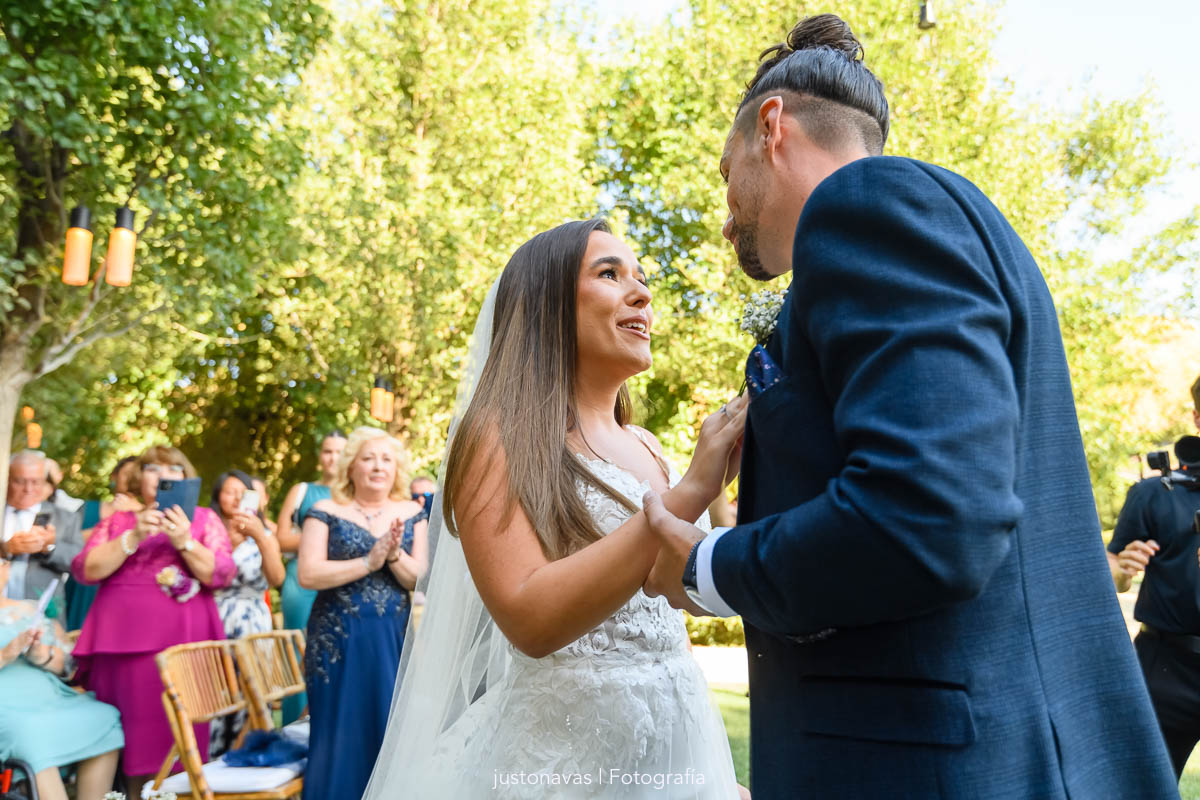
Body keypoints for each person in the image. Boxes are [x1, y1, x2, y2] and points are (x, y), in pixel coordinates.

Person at [639, 13, 1176, 798]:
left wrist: (703, 566)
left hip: (940, 767)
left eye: (727, 175)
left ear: (771, 125)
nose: (728, 213)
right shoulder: (909, 224)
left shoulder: (868, 204)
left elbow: (930, 512)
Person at [362, 219, 747, 800]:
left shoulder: (645, 446)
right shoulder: (500, 435)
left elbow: (671, 594)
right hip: (560, 766)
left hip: (678, 745)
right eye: (609, 274)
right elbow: (530, 620)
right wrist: (691, 490)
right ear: (547, 304)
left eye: (640, 278)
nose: (641, 292)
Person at [70, 445, 234, 798]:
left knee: (183, 735)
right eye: (152, 469)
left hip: (184, 643)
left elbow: (220, 574)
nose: (162, 476)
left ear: (185, 478)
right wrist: (134, 536)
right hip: (124, 646)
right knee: (132, 740)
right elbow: (86, 569)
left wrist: (185, 541)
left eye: (173, 468)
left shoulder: (204, 519)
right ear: (138, 477)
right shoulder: (119, 521)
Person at [298, 427, 427, 800]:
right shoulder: (324, 511)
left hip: (392, 640)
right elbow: (308, 574)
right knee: (339, 732)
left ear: (397, 468)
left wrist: (393, 555)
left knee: (388, 727)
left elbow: (420, 579)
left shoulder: (413, 513)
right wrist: (369, 561)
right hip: (335, 639)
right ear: (351, 465)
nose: (378, 466)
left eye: (386, 459)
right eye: (368, 458)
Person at [1108, 376, 1200, 779]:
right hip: (1165, 668)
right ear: (1197, 418)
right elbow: (1112, 572)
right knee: (1140, 786)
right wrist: (1123, 566)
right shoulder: (1152, 492)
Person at [1, 555, 123, 800]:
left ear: (5, 570)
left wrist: (42, 656)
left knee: (104, 718)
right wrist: (7, 653)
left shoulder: (27, 608)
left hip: (51, 699)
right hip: (10, 710)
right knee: (32, 734)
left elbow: (68, 667)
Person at [209, 469, 285, 756]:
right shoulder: (207, 530)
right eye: (230, 491)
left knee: (251, 695)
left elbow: (276, 578)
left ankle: (249, 757)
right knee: (216, 697)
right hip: (214, 622)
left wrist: (260, 536)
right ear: (218, 496)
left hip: (251, 623)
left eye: (243, 491)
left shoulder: (265, 533)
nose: (237, 497)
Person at [274, 429, 346, 723]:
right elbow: (280, 539)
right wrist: (326, 536)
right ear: (320, 457)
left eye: (340, 452)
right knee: (298, 651)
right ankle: (294, 727)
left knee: (336, 650)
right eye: (328, 451)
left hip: (340, 580)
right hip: (300, 582)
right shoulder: (302, 490)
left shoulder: (356, 494)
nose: (333, 458)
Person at [1, 450, 84, 620]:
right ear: (7, 478)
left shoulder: (65, 518)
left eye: (35, 482)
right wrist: (5, 548)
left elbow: (79, 562)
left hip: (42, 616)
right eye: (20, 481)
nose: (28, 489)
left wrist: (50, 547)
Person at [65, 457, 143, 631]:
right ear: (114, 477)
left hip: (119, 586)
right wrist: (115, 522)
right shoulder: (88, 508)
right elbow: (70, 539)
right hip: (82, 584)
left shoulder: (146, 514)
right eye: (126, 474)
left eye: (136, 475)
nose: (131, 479)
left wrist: (133, 514)